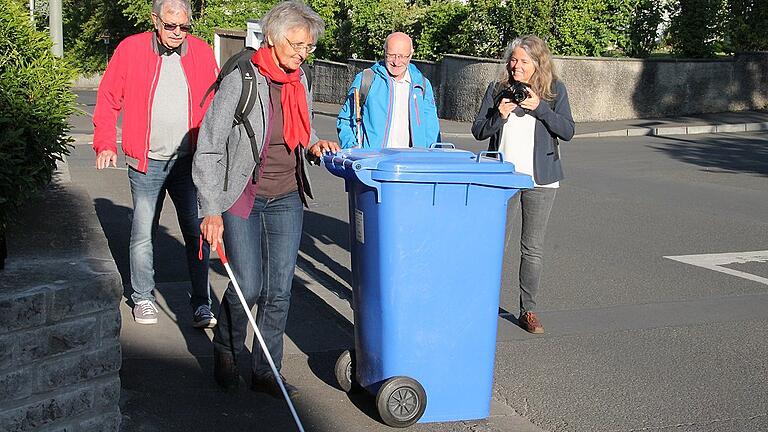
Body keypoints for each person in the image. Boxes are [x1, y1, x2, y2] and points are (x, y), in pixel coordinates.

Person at [193, 0, 340, 396]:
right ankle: (225, 349)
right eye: (296, 45)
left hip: (288, 195)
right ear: (273, 39)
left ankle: (266, 370)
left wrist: (314, 144)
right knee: (249, 285)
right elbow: (208, 146)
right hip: (243, 195)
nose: (302, 53)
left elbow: (300, 130)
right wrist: (210, 209)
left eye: (308, 47)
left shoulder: (300, 80)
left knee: (279, 290)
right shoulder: (241, 79)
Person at [92, 0, 218, 328]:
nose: (178, 33)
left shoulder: (202, 53)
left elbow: (217, 106)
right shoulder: (130, 50)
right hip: (146, 161)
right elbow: (108, 99)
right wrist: (105, 142)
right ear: (155, 20)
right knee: (143, 231)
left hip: (189, 162)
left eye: (185, 27)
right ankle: (143, 296)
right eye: (171, 25)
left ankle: (201, 301)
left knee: (197, 232)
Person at [471, 35, 575, 334]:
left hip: (540, 179)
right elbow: (479, 130)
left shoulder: (555, 91)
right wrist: (499, 115)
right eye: (513, 60)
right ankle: (481, 303)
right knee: (494, 244)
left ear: (537, 64)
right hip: (502, 178)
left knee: (532, 249)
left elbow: (567, 130)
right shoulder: (497, 89)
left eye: (523, 62)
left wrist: (540, 107)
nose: (516, 66)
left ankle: (528, 310)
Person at [336, 32, 440, 149]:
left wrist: (434, 159)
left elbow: (432, 129)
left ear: (410, 55)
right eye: (391, 55)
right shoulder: (366, 79)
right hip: (372, 161)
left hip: (412, 162)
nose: (396, 62)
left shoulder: (422, 85)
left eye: (402, 56)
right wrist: (352, 147)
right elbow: (346, 120)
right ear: (384, 52)